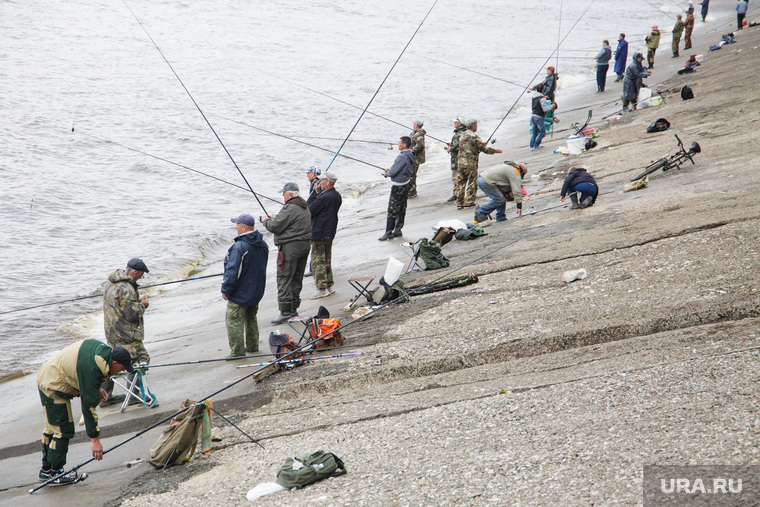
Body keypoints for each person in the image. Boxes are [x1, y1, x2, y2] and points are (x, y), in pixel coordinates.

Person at [37, 339, 133, 484]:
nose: (123, 371)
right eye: (122, 367)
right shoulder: (93, 366)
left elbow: (83, 375)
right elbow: (88, 408)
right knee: (62, 429)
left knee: (52, 428)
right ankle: (55, 473)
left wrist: (94, 389)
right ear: (114, 363)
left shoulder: (104, 354)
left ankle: (46, 470)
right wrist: (95, 440)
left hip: (49, 374)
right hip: (53, 385)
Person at [101, 257, 150, 406]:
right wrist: (143, 305)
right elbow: (131, 314)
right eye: (141, 275)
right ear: (136, 273)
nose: (141, 278)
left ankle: (105, 396)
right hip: (126, 333)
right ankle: (134, 395)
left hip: (112, 331)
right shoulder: (126, 288)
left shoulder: (111, 283)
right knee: (140, 359)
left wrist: (136, 302)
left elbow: (120, 305)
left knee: (112, 359)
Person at [261, 182, 311, 324]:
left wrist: (265, 220)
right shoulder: (303, 207)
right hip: (304, 246)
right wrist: (275, 218)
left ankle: (285, 311)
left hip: (291, 248)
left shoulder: (289, 208)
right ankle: (293, 308)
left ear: (289, 194)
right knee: (296, 278)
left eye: (283, 193)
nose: (282, 196)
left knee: (284, 277)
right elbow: (287, 222)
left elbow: (275, 227)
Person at [222, 214, 268, 359]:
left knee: (233, 319)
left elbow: (233, 271)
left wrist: (226, 289)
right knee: (251, 317)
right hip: (257, 289)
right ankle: (253, 346)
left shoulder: (239, 246)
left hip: (241, 292)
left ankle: (237, 352)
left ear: (244, 227)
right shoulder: (263, 244)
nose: (235, 227)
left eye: (237, 224)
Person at [308, 171, 341, 298]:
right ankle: (329, 285)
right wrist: (318, 194)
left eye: (322, 181)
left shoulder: (323, 197)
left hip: (319, 232)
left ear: (328, 182)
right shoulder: (336, 195)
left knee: (318, 261)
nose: (320, 183)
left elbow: (309, 210)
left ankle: (321, 289)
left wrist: (315, 195)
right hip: (329, 231)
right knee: (327, 259)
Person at [456, 119, 503, 209]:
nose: (477, 126)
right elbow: (484, 149)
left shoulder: (462, 134)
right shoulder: (474, 136)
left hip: (461, 162)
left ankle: (459, 201)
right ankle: (469, 201)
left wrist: (481, 144)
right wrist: (495, 151)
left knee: (461, 182)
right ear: (473, 126)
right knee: (472, 181)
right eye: (476, 125)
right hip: (470, 163)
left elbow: (468, 145)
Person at [379, 136, 415, 241]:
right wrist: (391, 169)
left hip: (398, 186)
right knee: (402, 207)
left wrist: (386, 173)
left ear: (404, 145)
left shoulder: (401, 156)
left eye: (399, 143)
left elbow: (393, 172)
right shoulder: (410, 154)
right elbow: (402, 167)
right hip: (406, 184)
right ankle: (398, 229)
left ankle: (388, 232)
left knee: (392, 209)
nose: (398, 144)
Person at [529, 84, 557, 150]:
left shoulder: (534, 96)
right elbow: (545, 109)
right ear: (542, 90)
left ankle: (532, 146)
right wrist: (552, 106)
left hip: (533, 116)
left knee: (534, 132)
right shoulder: (542, 98)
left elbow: (539, 101)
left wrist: (544, 98)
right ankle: (536, 145)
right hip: (539, 117)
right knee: (542, 132)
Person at [444, 118, 466, 203]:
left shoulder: (457, 134)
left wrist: (450, 148)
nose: (454, 123)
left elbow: (455, 147)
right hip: (463, 158)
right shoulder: (465, 132)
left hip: (456, 159)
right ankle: (461, 193)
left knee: (455, 177)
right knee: (462, 176)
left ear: (460, 124)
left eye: (456, 122)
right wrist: (452, 144)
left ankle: (456, 194)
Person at [407, 120, 426, 198]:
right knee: (411, 173)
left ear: (416, 125)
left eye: (414, 124)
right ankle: (411, 190)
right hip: (413, 156)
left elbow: (420, 145)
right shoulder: (415, 133)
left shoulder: (419, 134)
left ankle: (412, 192)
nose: (413, 125)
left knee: (412, 174)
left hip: (416, 157)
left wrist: (412, 150)